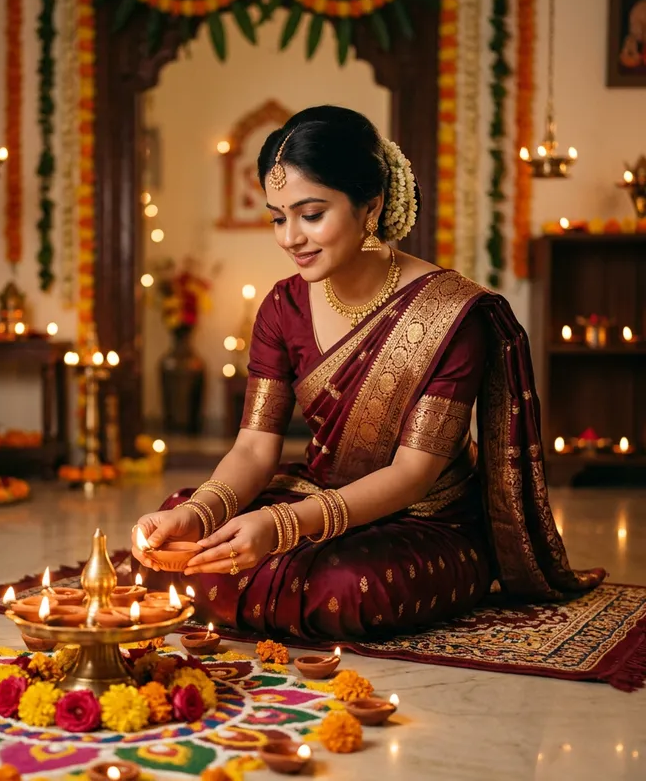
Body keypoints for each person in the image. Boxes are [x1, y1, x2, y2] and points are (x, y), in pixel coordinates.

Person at [132, 105, 604, 640]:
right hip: (319, 491)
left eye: (311, 214)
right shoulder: (283, 307)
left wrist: (283, 525)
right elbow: (253, 449)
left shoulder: (449, 315)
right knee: (171, 536)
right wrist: (198, 514)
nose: (290, 238)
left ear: (371, 207)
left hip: (427, 518)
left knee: (342, 587)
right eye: (277, 217)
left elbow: (411, 476)